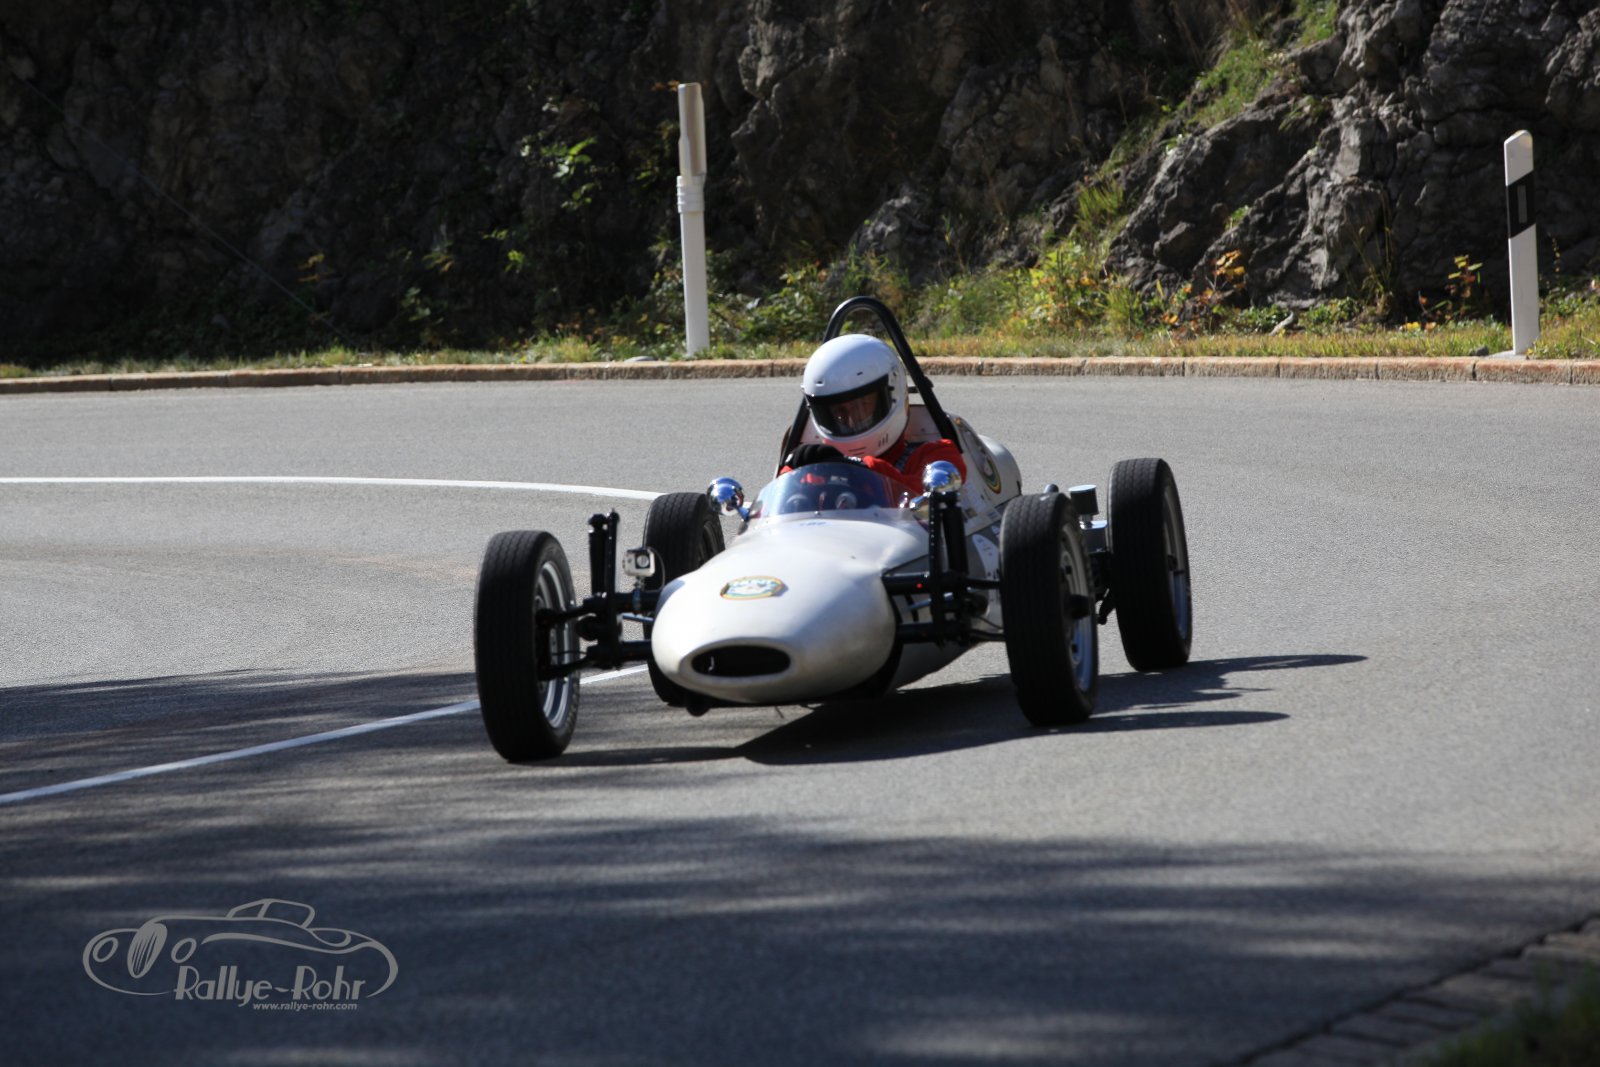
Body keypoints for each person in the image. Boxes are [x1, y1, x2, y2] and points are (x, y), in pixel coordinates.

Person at [781, 333, 966, 495]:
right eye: (838, 412)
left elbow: (924, 497)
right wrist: (796, 477)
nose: (850, 421)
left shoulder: (936, 456)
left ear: (893, 395)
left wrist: (857, 469)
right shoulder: (813, 467)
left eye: (861, 406)